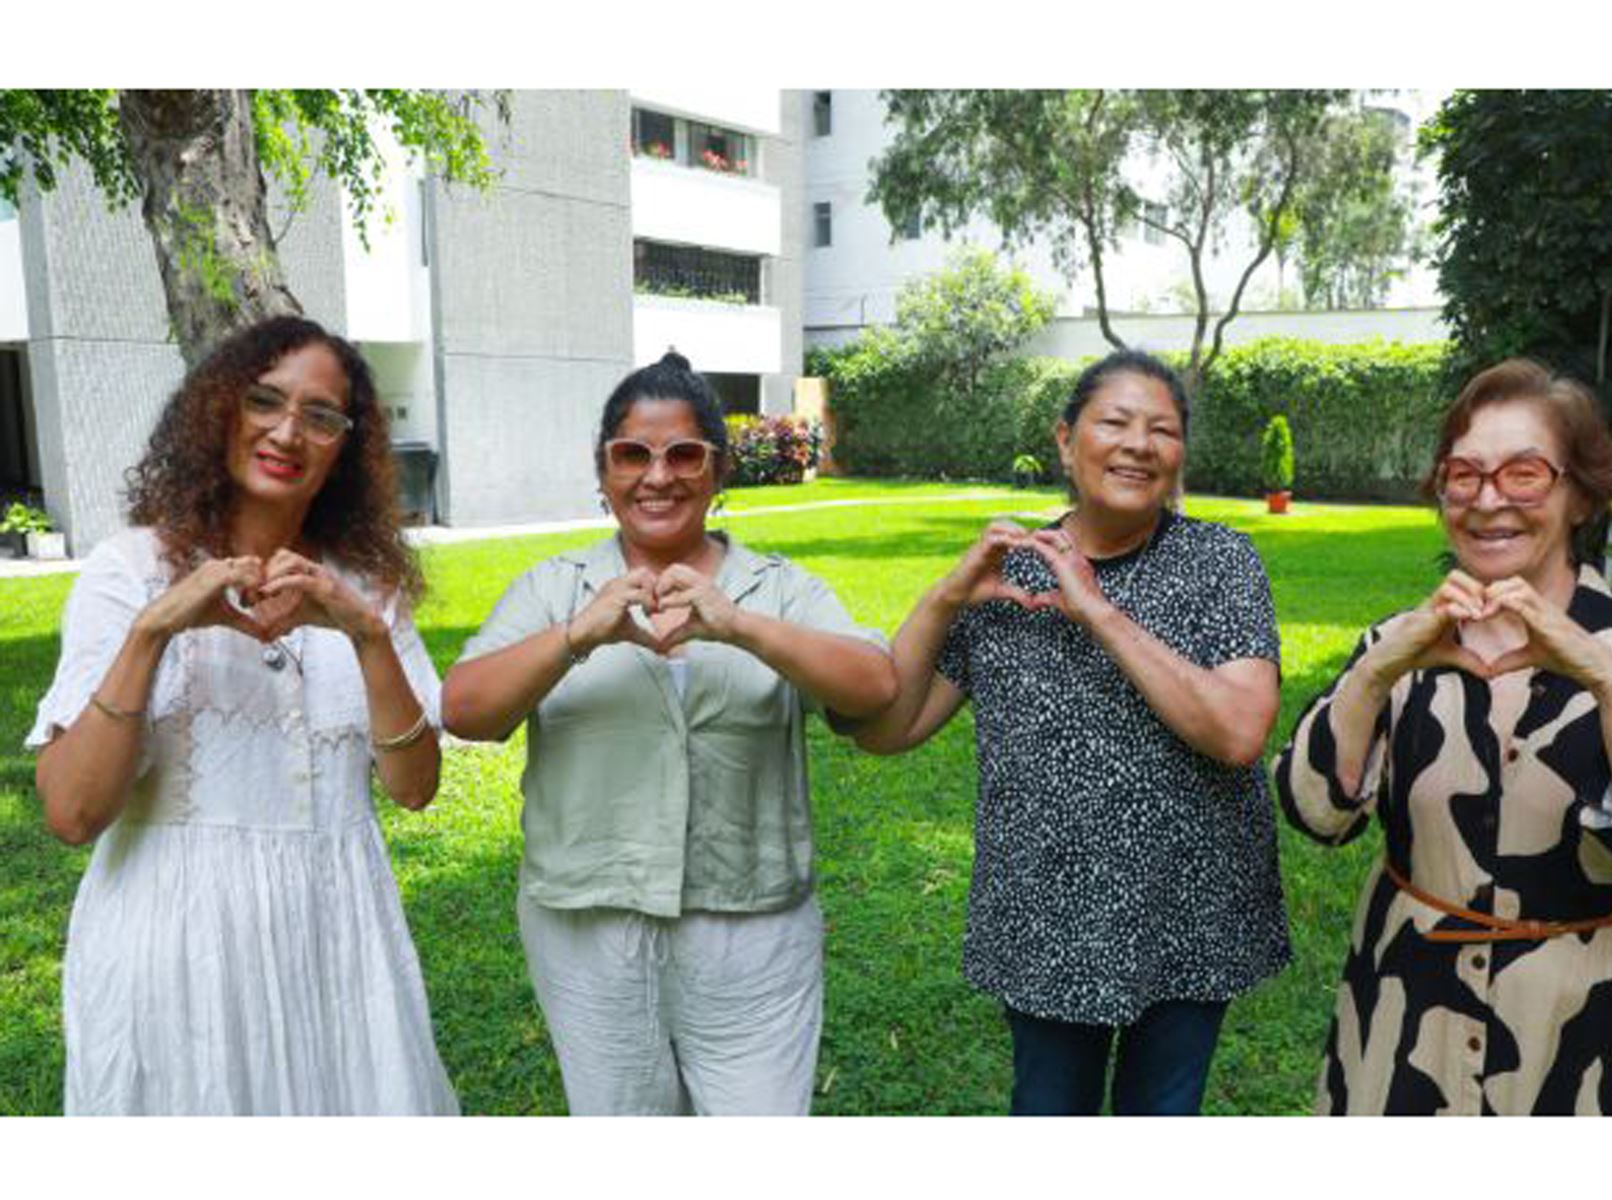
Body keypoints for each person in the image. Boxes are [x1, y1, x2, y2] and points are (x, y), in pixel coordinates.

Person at [1274, 358, 1612, 1116]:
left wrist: (1606, 680)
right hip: (1409, 1021)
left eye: (1524, 474)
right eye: (1462, 476)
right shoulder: (1401, 644)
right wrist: (1373, 676)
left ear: (1580, 495)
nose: (1487, 499)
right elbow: (1315, 812)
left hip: (1604, 1033)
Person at [440, 351, 894, 1116]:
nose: (659, 476)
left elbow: (874, 687)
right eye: (633, 454)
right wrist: (580, 634)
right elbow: (466, 709)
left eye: (685, 454)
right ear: (603, 471)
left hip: (752, 928)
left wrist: (740, 626)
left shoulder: (775, 587)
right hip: (590, 925)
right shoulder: (555, 589)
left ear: (718, 472)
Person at [30, 315, 457, 1115]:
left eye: (321, 416)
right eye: (265, 400)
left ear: (345, 450)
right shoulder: (130, 570)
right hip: (176, 953)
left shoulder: (365, 587)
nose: (288, 431)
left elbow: (414, 787)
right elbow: (73, 811)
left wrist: (365, 633)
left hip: (340, 943)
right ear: (220, 409)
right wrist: (153, 630)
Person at [853, 349, 1290, 1116]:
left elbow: (1238, 732)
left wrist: (1098, 611)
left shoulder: (1221, 560)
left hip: (1190, 911)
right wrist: (947, 595)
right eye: (1114, 422)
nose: (1138, 444)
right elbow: (890, 729)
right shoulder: (1009, 572)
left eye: (1162, 429)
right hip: (1045, 915)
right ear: (1065, 440)